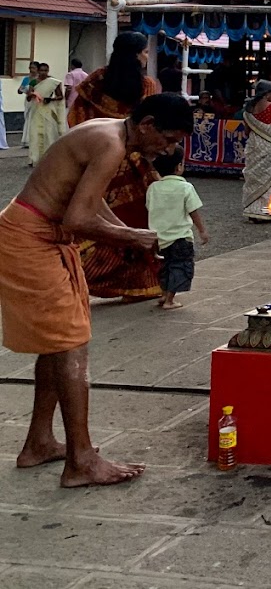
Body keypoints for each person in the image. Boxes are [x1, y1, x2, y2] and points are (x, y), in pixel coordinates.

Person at [0, 93, 192, 487]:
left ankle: (39, 442)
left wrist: (127, 233)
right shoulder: (111, 144)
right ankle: (81, 460)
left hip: (38, 235)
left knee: (58, 344)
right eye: (169, 139)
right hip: (30, 238)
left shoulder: (108, 131)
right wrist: (131, 238)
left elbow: (90, 201)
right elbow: (80, 216)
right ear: (146, 124)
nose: (169, 149)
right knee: (71, 347)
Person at [68, 32, 163, 302]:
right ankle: (134, 286)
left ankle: (76, 276)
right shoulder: (146, 86)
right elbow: (148, 127)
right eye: (145, 52)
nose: (147, 57)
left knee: (94, 221)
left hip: (96, 159)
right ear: (135, 54)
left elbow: (76, 116)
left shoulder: (96, 79)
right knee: (134, 222)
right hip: (133, 165)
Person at [146, 148, 207, 310]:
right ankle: (170, 300)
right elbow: (193, 211)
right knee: (180, 266)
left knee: (164, 267)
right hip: (180, 237)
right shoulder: (186, 188)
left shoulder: (153, 188)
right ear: (179, 167)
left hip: (158, 238)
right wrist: (202, 230)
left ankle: (164, 294)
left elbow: (149, 207)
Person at [241, 80, 271, 221]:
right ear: (266, 94)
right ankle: (270, 210)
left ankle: (253, 210)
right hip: (270, 147)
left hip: (254, 146)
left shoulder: (248, 109)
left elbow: (247, 131)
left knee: (255, 179)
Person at [27, 63, 67, 167]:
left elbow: (60, 96)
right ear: (38, 71)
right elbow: (28, 96)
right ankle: (34, 158)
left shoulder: (53, 82)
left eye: (46, 70)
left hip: (48, 110)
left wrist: (50, 99)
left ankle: (48, 157)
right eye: (42, 70)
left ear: (48, 71)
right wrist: (32, 94)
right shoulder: (34, 82)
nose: (43, 73)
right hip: (36, 109)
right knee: (35, 133)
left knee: (49, 133)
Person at [19, 62, 39, 148]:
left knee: (35, 119)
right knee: (28, 119)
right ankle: (26, 140)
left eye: (33, 68)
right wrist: (23, 90)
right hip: (28, 101)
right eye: (30, 68)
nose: (31, 70)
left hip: (37, 101)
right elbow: (20, 90)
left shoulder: (39, 79)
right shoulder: (26, 79)